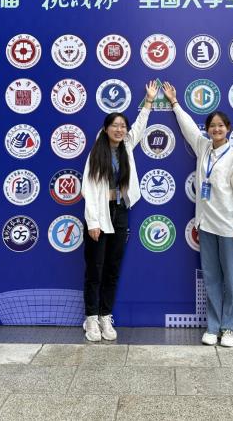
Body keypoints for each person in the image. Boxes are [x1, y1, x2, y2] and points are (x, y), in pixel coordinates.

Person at [163, 82, 233, 347]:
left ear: (228, 129)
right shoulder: (204, 148)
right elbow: (188, 128)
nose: (216, 129)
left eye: (220, 126)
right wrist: (174, 103)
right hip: (206, 225)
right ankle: (213, 326)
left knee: (231, 279)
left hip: (229, 227)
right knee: (212, 278)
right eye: (212, 126)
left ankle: (231, 327)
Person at [82, 81, 158, 342]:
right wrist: (93, 222)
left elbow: (140, 126)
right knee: (95, 268)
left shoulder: (126, 146)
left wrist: (149, 101)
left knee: (113, 267)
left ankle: (105, 315)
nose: (120, 129)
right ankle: (90, 318)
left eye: (122, 126)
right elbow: (89, 189)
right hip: (99, 214)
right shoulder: (97, 153)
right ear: (105, 129)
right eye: (115, 125)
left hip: (120, 211)